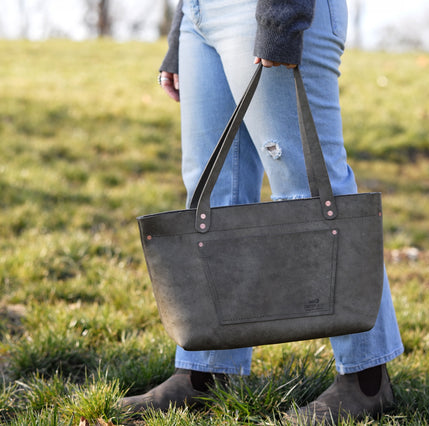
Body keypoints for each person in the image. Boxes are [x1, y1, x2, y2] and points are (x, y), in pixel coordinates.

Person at [119, 0, 404, 423]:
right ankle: (206, 372)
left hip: (267, 8)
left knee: (312, 190)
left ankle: (366, 381)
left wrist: (282, 14)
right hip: (201, 16)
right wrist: (182, 29)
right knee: (211, 194)